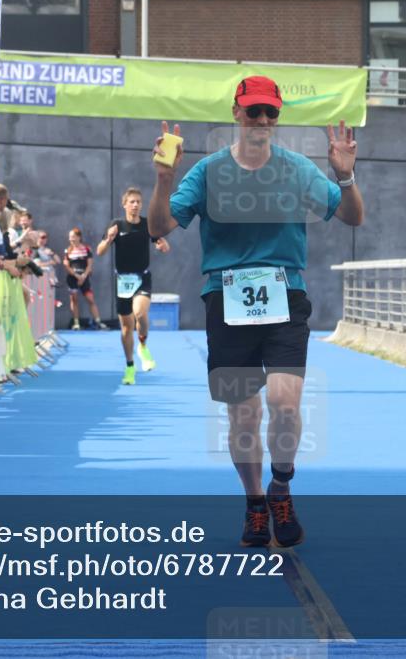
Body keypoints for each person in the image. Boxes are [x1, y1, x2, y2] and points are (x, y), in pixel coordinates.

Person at [147, 76, 365, 548]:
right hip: (226, 302)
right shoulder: (206, 172)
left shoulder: (298, 169)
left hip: (286, 296)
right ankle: (253, 503)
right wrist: (164, 181)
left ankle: (280, 486)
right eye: (254, 112)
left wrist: (344, 176)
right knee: (243, 418)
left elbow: (352, 216)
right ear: (236, 113)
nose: (262, 121)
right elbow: (160, 225)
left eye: (271, 113)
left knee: (284, 404)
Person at [97, 187, 170, 384]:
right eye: (132, 202)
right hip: (122, 281)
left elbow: (163, 244)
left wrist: (163, 246)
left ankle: (143, 345)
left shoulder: (147, 225)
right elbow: (100, 251)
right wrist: (109, 238)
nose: (136, 205)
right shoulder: (117, 225)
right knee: (127, 328)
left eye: (138, 201)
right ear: (125, 204)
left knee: (139, 312)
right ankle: (130, 366)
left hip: (142, 278)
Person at [63, 227, 107, 331]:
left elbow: (89, 265)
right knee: (74, 300)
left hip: (84, 278)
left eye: (73, 237)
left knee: (90, 300)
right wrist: (76, 276)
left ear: (79, 237)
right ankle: (76, 323)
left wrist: (83, 276)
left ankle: (98, 322)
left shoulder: (86, 249)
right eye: (70, 237)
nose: (71, 239)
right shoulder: (67, 250)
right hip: (72, 279)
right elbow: (66, 266)